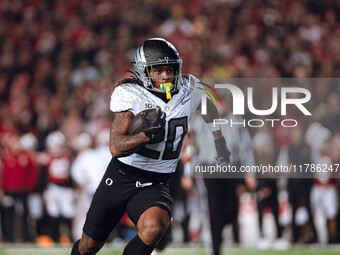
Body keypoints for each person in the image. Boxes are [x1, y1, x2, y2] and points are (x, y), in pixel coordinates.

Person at [70, 38, 231, 255]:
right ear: (144, 72)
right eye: (158, 70)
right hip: (121, 177)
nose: (165, 75)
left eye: (169, 69)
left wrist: (219, 139)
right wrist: (144, 136)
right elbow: (116, 147)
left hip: (156, 180)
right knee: (89, 246)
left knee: (155, 226)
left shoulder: (190, 89)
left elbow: (208, 103)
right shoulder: (131, 94)